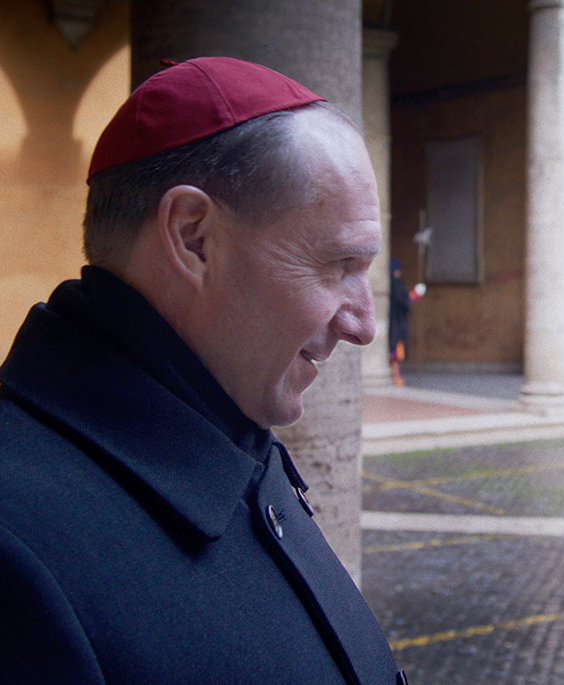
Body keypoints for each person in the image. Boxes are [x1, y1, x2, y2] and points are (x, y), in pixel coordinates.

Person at [0, 57, 407, 685]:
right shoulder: (15, 552)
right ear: (193, 238)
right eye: (337, 264)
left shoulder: (228, 423)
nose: (363, 325)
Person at [388, 257, 424, 386]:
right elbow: (405, 302)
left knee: (396, 349)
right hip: (397, 321)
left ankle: (396, 376)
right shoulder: (396, 283)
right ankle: (395, 376)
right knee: (396, 350)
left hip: (394, 320)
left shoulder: (391, 283)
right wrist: (416, 295)